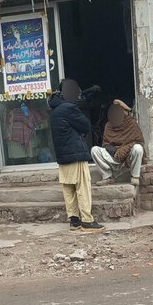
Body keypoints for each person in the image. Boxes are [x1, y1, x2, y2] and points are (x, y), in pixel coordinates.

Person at [48, 78, 104, 232]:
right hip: (75, 154)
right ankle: (87, 220)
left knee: (68, 188)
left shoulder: (54, 110)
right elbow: (85, 125)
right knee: (82, 187)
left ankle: (74, 220)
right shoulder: (69, 108)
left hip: (62, 156)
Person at [91, 100, 145, 186]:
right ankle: (107, 177)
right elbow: (106, 144)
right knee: (94, 150)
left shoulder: (131, 123)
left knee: (138, 148)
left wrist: (124, 150)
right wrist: (115, 151)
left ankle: (135, 176)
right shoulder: (108, 125)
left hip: (128, 155)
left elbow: (138, 141)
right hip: (114, 155)